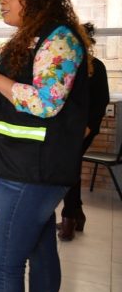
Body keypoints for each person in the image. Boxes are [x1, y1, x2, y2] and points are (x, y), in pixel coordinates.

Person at [0, 0, 92, 292]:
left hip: (30, 173)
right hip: (24, 167)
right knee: (40, 251)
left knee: (5, 264)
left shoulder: (59, 39)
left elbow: (46, 102)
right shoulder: (33, 37)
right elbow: (25, 89)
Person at [58, 23, 109, 241]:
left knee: (69, 169)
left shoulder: (96, 66)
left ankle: (70, 217)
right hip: (65, 128)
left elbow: (101, 101)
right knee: (71, 169)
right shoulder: (67, 65)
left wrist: (87, 128)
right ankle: (76, 213)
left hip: (85, 128)